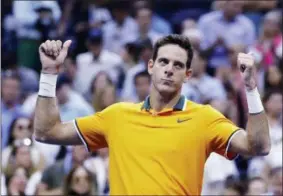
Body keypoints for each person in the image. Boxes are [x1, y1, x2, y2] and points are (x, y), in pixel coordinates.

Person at [33, 35, 271, 195]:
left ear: (188, 74)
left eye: (177, 65)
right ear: (150, 66)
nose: (169, 69)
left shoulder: (205, 119)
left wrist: (250, 88)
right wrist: (49, 73)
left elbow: (258, 146)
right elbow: (46, 131)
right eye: (163, 62)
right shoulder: (117, 116)